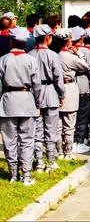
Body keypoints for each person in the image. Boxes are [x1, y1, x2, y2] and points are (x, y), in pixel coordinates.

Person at [0, 27, 41, 185]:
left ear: (10, 41)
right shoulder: (31, 60)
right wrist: (37, 102)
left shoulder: (3, 60)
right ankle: (26, 175)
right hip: (26, 100)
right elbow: (37, 85)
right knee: (27, 140)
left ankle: (13, 174)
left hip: (8, 101)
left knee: (10, 140)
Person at [29, 24, 65, 172]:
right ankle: (50, 160)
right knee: (50, 129)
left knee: (37, 130)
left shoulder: (29, 54)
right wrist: (62, 94)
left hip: (33, 93)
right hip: (50, 92)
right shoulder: (53, 55)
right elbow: (58, 77)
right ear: (47, 37)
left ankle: (39, 161)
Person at [55, 29, 89, 160]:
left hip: (56, 89)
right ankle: (68, 152)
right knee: (69, 124)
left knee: (57, 125)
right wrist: (78, 52)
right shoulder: (71, 57)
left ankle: (57, 152)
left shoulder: (54, 55)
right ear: (68, 41)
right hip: (69, 88)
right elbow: (85, 66)